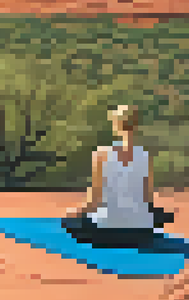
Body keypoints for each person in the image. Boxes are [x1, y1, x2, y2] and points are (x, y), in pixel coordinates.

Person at [62, 105, 176, 248]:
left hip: (105, 231)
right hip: (142, 233)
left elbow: (94, 201)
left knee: (68, 221)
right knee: (155, 216)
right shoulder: (146, 156)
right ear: (137, 125)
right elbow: (148, 199)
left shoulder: (101, 154)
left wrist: (75, 212)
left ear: (115, 125)